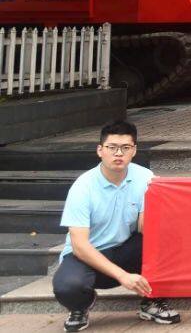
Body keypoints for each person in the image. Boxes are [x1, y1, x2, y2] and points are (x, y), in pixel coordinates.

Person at [54, 121, 179, 332]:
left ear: (134, 151)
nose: (118, 153)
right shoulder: (83, 187)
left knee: (167, 241)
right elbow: (80, 246)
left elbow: (146, 230)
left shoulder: (145, 178)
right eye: (112, 147)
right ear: (100, 150)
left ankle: (153, 301)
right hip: (87, 257)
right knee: (68, 286)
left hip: (124, 250)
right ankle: (81, 306)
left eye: (125, 148)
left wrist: (158, 199)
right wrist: (122, 276)